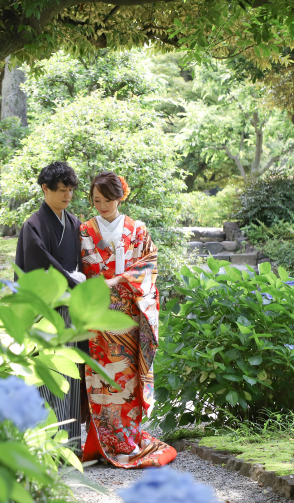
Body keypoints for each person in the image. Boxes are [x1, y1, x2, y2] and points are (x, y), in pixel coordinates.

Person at [80, 171, 177, 468]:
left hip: (129, 314)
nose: (102, 206)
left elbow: (149, 264)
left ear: (120, 197)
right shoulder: (85, 229)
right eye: (96, 200)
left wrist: (118, 280)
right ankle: (103, 442)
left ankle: (128, 440)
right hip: (98, 316)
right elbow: (82, 266)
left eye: (108, 199)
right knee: (101, 378)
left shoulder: (137, 229)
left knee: (127, 379)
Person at [14, 161, 87, 452]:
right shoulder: (33, 224)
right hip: (45, 310)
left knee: (70, 372)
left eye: (70, 190)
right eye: (61, 190)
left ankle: (70, 446)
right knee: (46, 374)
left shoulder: (74, 224)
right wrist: (71, 279)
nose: (67, 195)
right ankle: (44, 446)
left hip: (71, 308)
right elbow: (39, 262)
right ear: (45, 189)